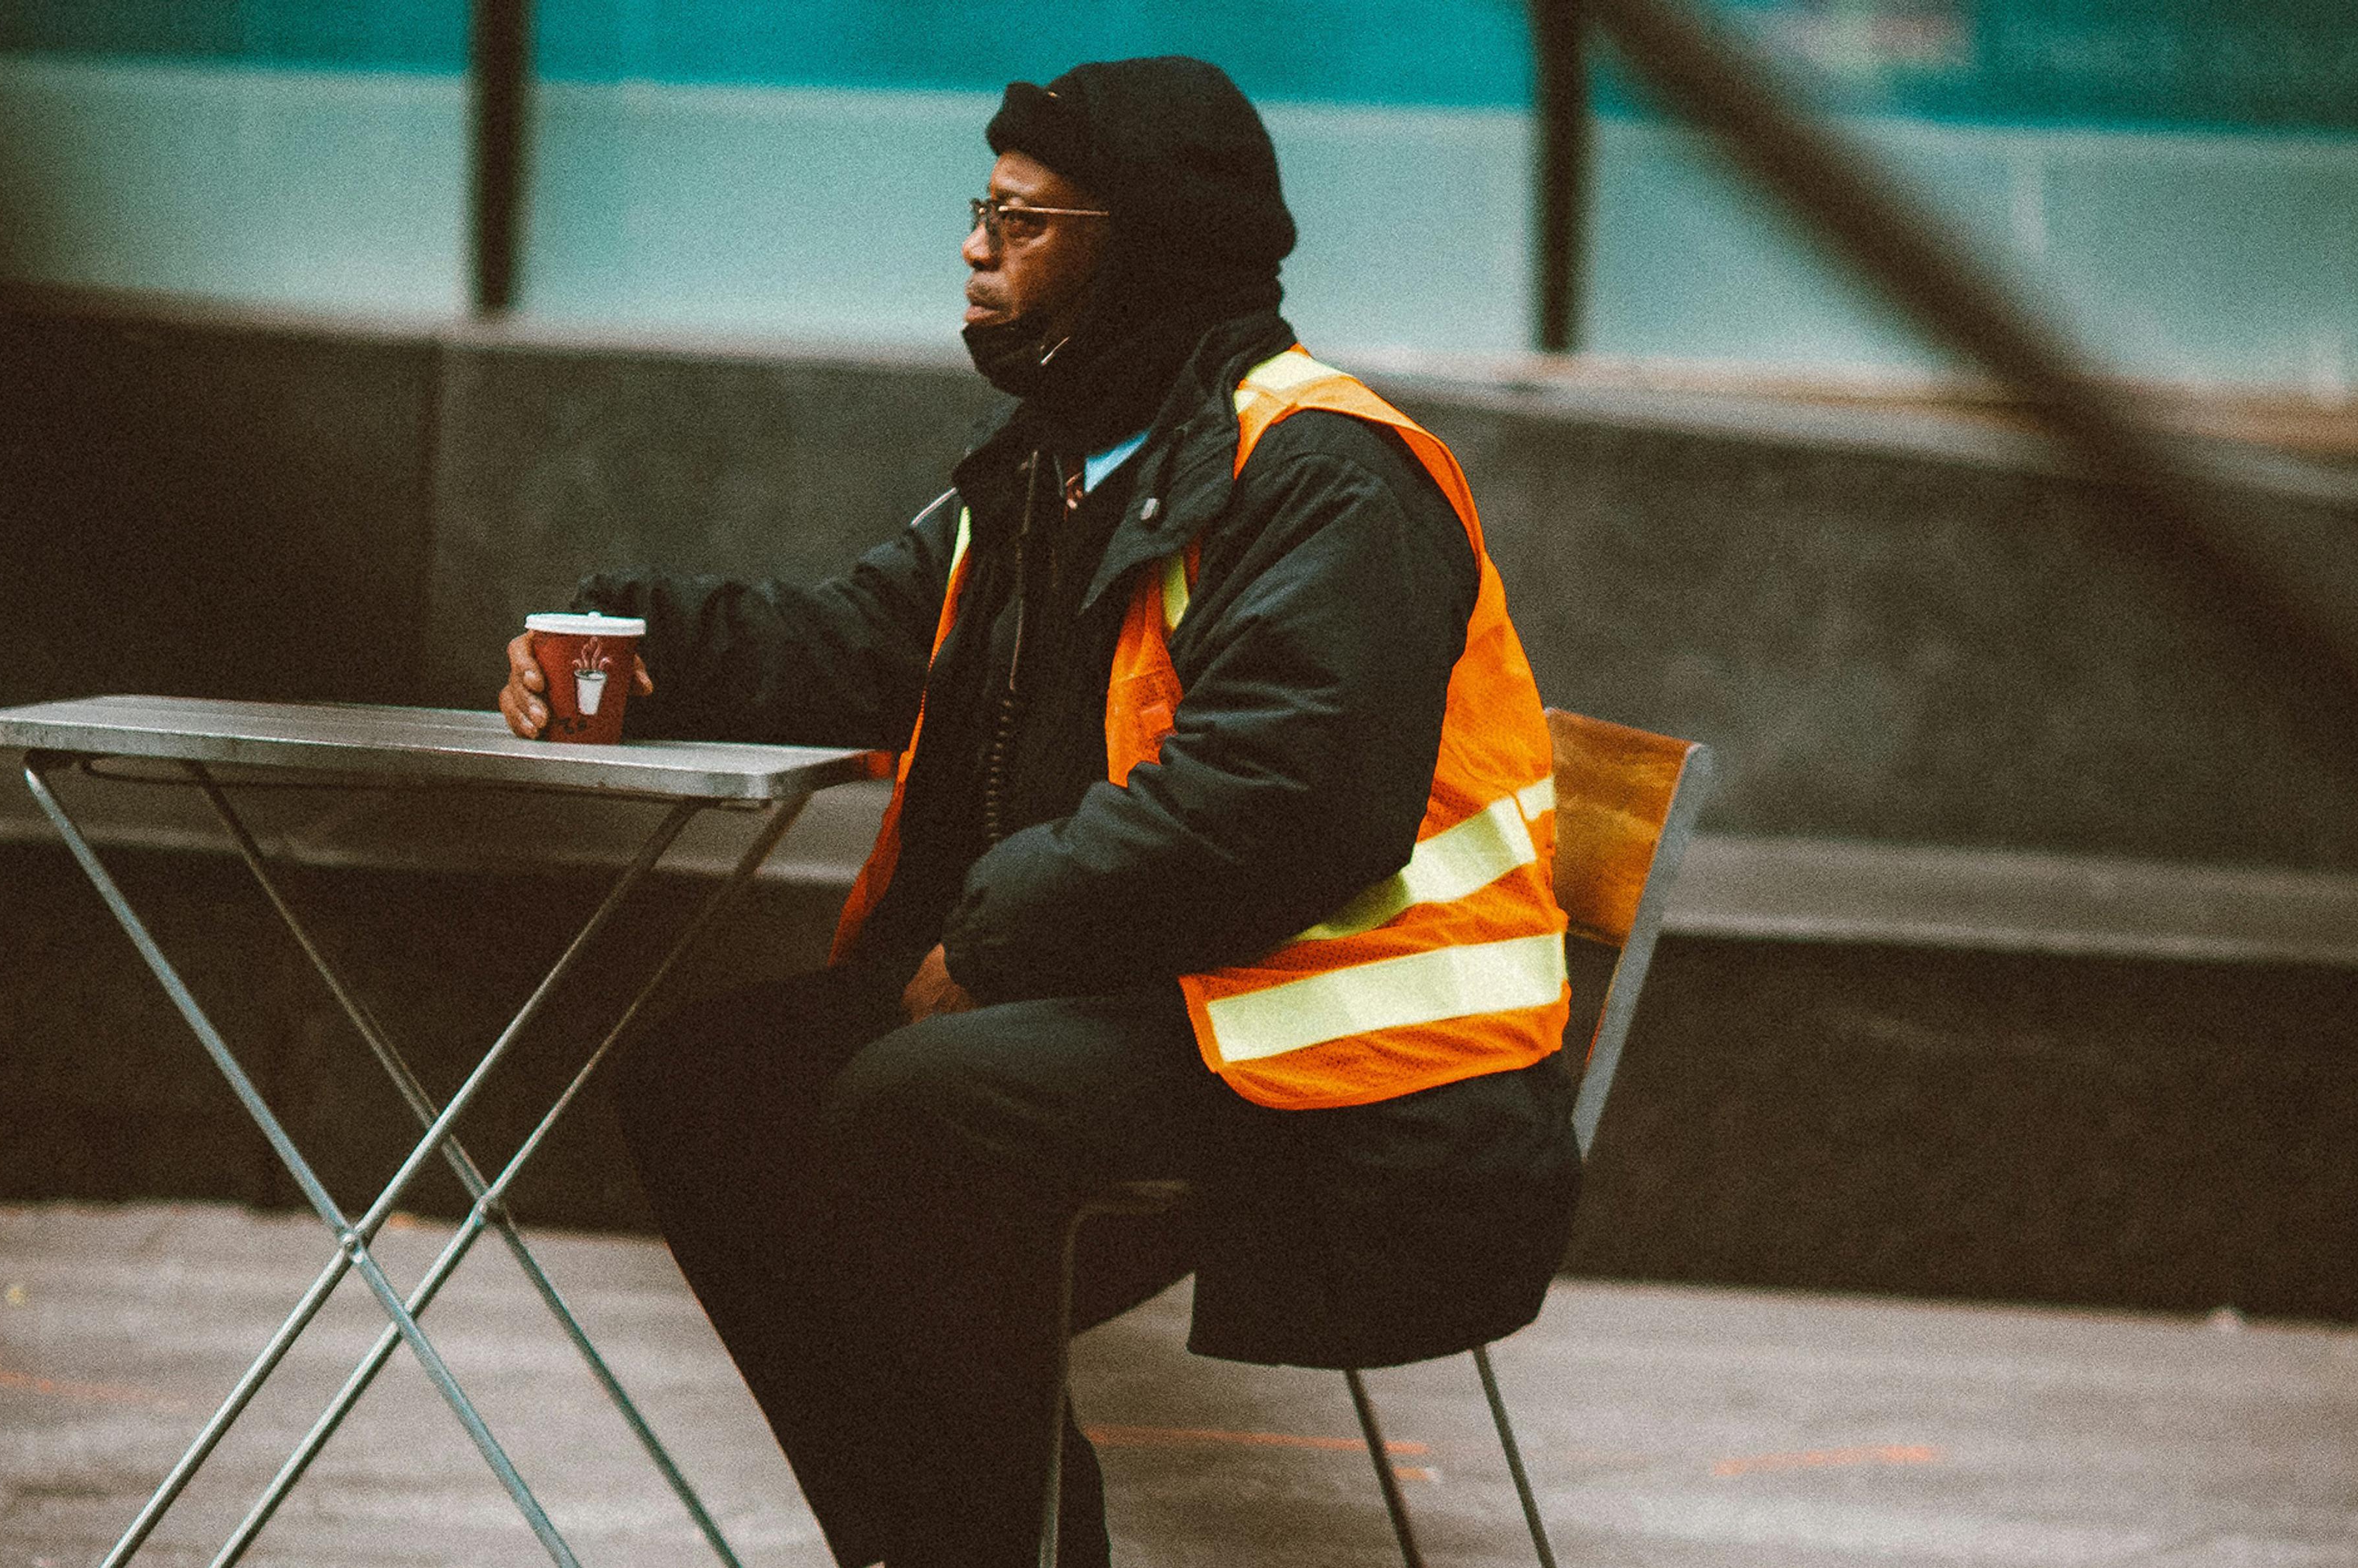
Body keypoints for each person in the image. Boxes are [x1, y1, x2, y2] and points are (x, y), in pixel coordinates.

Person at [498, 56, 1580, 1568]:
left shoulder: (1326, 470)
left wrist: (999, 939)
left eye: (1021, 216)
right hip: (1152, 995)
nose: (973, 246)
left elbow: (1279, 797)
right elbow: (865, 641)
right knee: (703, 1088)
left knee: (922, 1111)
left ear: (1141, 250)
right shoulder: (1052, 470)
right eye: (980, 209)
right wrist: (627, 640)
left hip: (1346, 1060)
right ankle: (952, 1543)